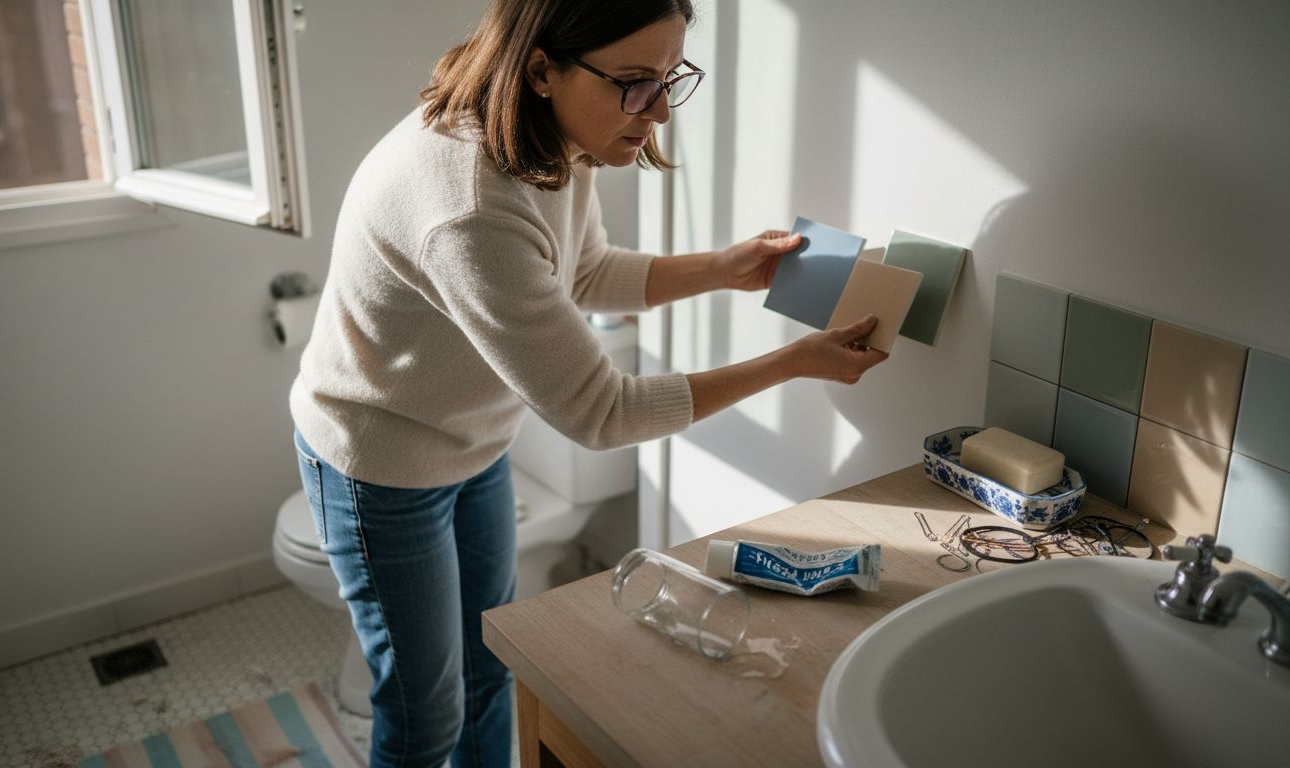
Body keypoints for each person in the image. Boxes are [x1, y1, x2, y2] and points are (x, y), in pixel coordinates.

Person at [289, 0, 889, 765]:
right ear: (542, 68)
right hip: (376, 461)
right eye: (637, 84)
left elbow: (582, 270)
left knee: (486, 675)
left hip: (471, 445)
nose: (661, 112)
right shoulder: (469, 207)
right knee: (421, 714)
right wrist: (791, 363)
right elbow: (602, 414)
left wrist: (722, 268)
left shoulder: (551, 137)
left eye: (673, 80)